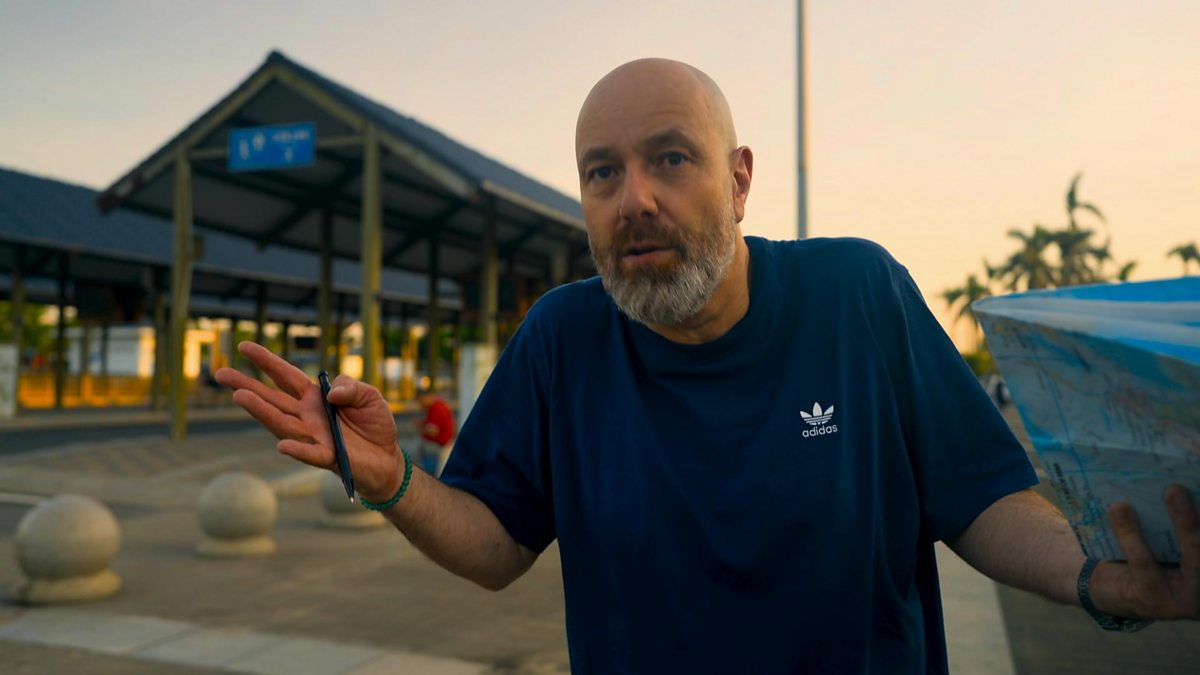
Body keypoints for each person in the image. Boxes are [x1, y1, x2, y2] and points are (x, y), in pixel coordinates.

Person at [217, 58, 1199, 673]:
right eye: (603, 172)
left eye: (671, 159)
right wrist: (393, 481)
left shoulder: (858, 292)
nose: (634, 197)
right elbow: (497, 546)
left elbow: (982, 501)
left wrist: (1104, 582)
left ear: (739, 180)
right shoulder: (561, 336)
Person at [412, 385, 455, 475]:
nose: (420, 404)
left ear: (426, 397)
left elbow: (433, 431)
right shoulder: (439, 405)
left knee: (434, 475)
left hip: (441, 449)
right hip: (444, 446)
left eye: (420, 400)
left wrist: (421, 428)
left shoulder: (435, 408)